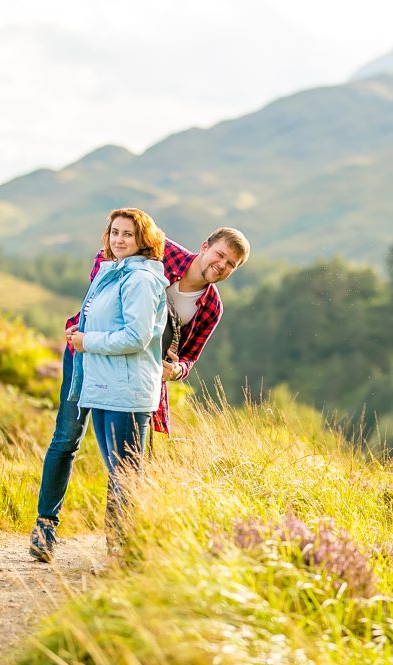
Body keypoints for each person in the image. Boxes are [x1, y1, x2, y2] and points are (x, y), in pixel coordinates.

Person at [29, 220, 251, 562]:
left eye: (230, 265)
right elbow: (106, 255)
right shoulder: (162, 251)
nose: (220, 266)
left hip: (132, 376)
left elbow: (190, 356)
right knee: (67, 438)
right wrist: (93, 318)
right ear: (205, 246)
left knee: (124, 460)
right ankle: (45, 528)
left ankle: (118, 548)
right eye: (220, 255)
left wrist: (175, 368)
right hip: (87, 353)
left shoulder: (211, 307)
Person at [66, 208, 168, 553]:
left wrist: (87, 341)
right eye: (114, 232)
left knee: (126, 475)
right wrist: (81, 332)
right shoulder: (114, 273)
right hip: (105, 388)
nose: (119, 239)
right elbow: (106, 323)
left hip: (127, 391)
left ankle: (127, 551)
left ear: (144, 240)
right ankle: (119, 549)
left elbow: (136, 337)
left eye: (128, 234)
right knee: (119, 473)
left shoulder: (140, 279)